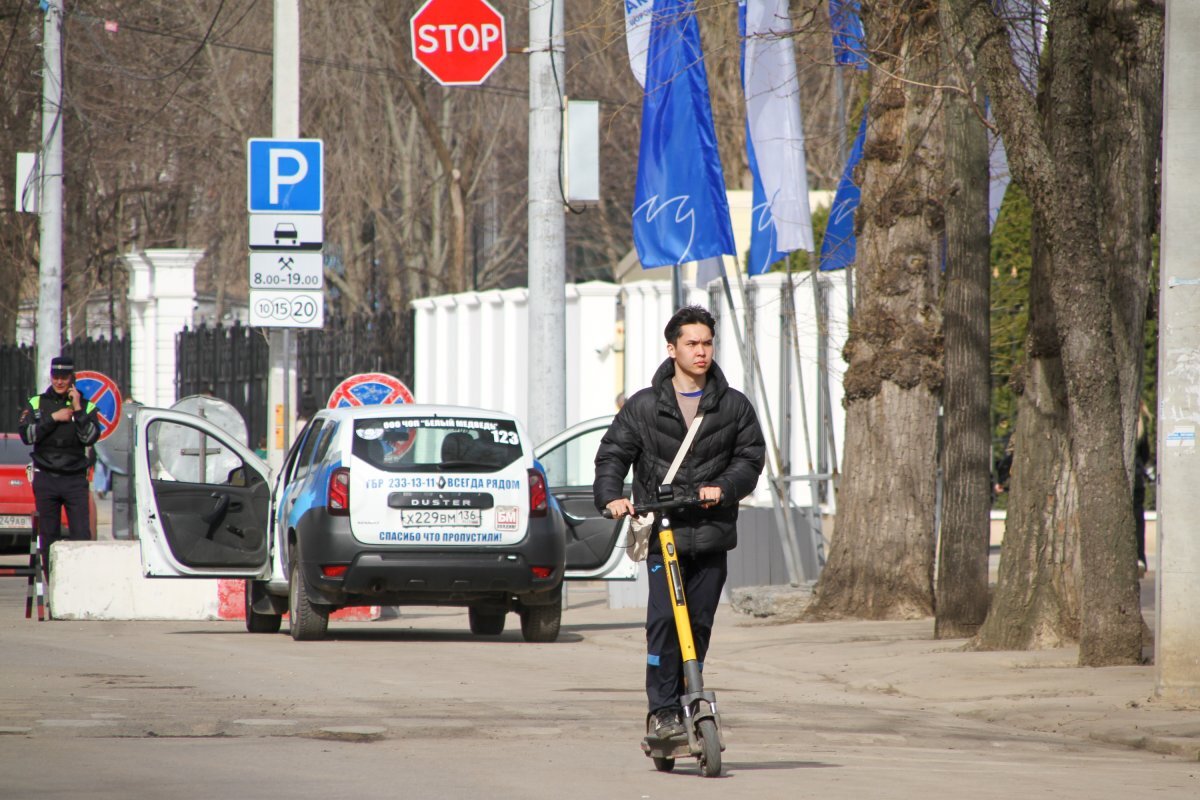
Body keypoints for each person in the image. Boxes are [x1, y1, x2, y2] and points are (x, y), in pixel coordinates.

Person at [593, 305, 765, 740]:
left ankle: (693, 694)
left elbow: (750, 458)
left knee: (700, 623)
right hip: (662, 533)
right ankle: (663, 710)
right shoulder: (645, 406)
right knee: (666, 622)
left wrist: (723, 487)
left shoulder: (733, 406)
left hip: (711, 532)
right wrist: (612, 495)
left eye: (707, 343)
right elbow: (613, 454)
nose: (701, 351)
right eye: (691, 343)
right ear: (672, 349)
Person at [17, 356, 101, 572]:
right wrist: (53, 418)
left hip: (74, 479)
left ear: (71, 378)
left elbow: (89, 437)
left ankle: (80, 581)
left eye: (64, 377)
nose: (59, 381)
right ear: (51, 376)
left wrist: (77, 408)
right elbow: (27, 435)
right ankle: (51, 582)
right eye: (56, 377)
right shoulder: (37, 403)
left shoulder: (86, 405)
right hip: (46, 477)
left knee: (81, 535)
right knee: (49, 536)